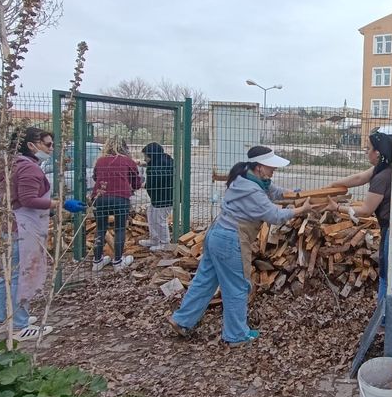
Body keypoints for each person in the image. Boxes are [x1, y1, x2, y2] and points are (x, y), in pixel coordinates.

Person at [168, 146, 312, 346]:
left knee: (205, 280)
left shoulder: (245, 177)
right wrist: (299, 210)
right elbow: (274, 215)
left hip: (216, 234)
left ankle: (182, 320)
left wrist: (294, 195)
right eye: (271, 167)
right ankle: (236, 335)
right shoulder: (252, 190)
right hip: (231, 239)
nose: (274, 170)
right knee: (237, 286)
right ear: (260, 167)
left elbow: (273, 190)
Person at [326, 131, 392, 301]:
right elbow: (360, 177)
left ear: (377, 153)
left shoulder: (382, 177)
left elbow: (366, 210)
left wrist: (337, 207)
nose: (366, 151)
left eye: (368, 148)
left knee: (387, 281)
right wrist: (335, 184)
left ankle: (383, 323)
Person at [0, 127, 56, 341]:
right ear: (30, 145)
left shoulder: (10, 165)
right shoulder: (28, 168)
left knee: (6, 276)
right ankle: (20, 326)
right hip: (21, 229)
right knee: (21, 275)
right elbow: (28, 199)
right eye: (47, 144)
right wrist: (59, 203)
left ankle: (1, 320)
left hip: (4, 228)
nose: (51, 148)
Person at [91, 136, 141, 272]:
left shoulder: (100, 161)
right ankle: (118, 262)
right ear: (125, 147)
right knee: (120, 229)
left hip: (100, 197)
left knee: (100, 228)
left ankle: (97, 261)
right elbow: (137, 184)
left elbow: (95, 177)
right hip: (120, 198)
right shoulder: (128, 161)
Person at [139, 142, 174, 251]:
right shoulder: (162, 160)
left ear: (152, 155)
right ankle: (154, 239)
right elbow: (151, 165)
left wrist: (142, 185)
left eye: (146, 156)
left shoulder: (158, 167)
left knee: (159, 220)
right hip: (160, 197)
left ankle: (165, 243)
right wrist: (142, 163)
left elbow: (153, 183)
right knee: (150, 214)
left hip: (164, 198)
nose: (145, 158)